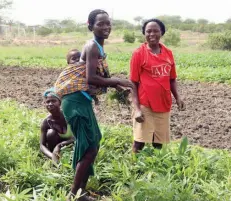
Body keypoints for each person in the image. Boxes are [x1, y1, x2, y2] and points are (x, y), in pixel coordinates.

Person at [55, 9, 141, 201]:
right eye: (100, 24)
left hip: (81, 100)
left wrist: (116, 85)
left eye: (107, 23)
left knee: (93, 142)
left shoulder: (99, 49)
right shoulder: (92, 46)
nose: (105, 27)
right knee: (89, 147)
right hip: (75, 101)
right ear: (91, 26)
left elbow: (98, 79)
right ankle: (75, 194)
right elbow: (91, 77)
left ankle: (80, 192)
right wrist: (120, 81)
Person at [130, 18, 185, 153]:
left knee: (159, 143)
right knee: (139, 142)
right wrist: (137, 108)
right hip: (145, 103)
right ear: (144, 33)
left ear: (162, 33)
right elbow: (133, 83)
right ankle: (132, 169)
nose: (152, 34)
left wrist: (177, 97)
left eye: (156, 31)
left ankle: (157, 170)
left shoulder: (168, 53)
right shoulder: (139, 54)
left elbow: (172, 79)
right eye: (148, 31)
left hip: (163, 103)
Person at [40, 88, 74, 163]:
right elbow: (42, 145)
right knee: (51, 133)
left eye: (53, 101)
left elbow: (75, 139)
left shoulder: (68, 116)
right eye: (48, 102)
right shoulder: (46, 122)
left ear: (60, 102)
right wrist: (52, 156)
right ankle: (56, 159)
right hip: (54, 151)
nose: (50, 104)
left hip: (70, 146)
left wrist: (59, 145)